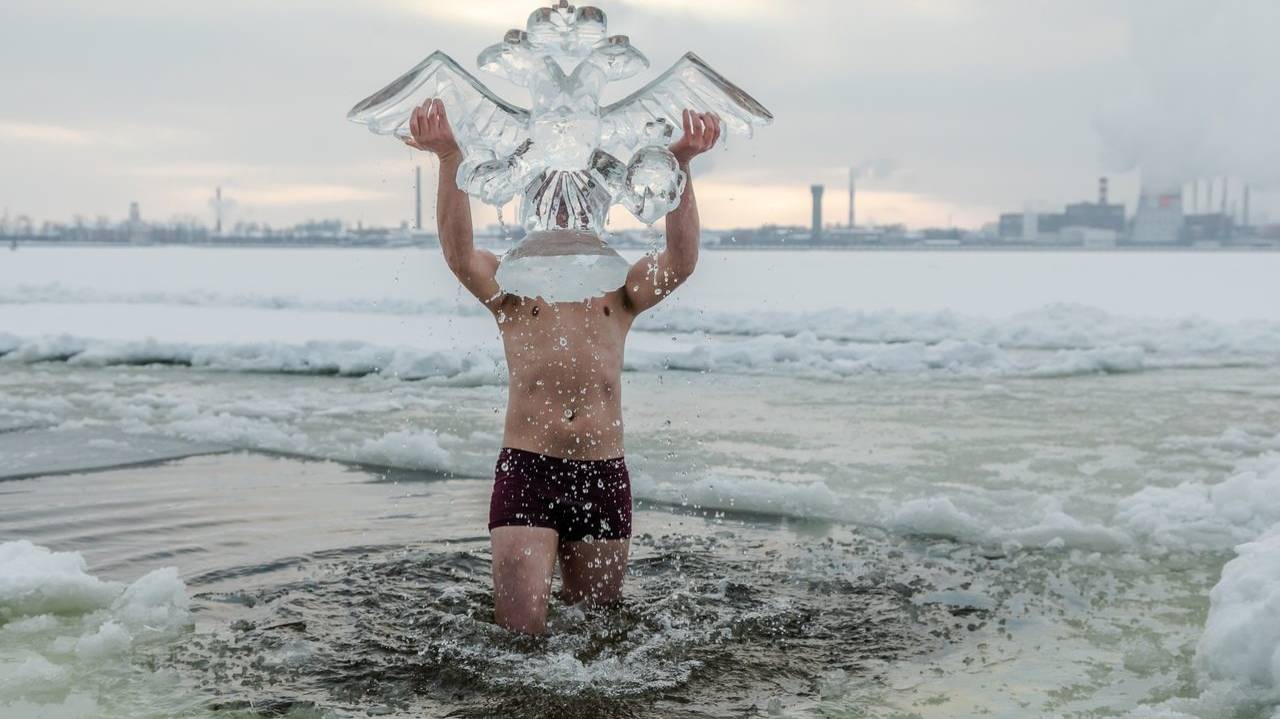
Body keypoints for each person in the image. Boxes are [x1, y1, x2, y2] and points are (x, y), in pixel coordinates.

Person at [404, 98, 721, 634]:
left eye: (577, 204)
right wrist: (448, 157)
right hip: (528, 470)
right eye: (554, 202)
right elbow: (459, 255)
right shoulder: (512, 286)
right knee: (520, 636)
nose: (565, 214)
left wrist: (680, 169)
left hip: (602, 472)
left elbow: (680, 262)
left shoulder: (617, 289)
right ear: (535, 209)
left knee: (597, 636)